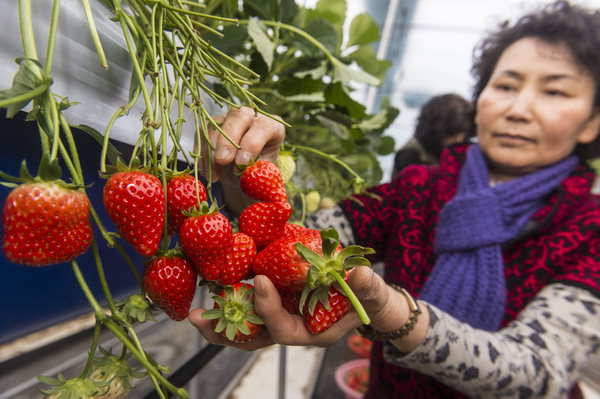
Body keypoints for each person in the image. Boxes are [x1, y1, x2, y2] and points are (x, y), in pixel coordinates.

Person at [188, 1, 600, 398]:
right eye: (506, 85)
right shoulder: (417, 187)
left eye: (555, 92)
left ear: (592, 122)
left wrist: (391, 311)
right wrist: (251, 181)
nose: (519, 108)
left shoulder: (590, 226)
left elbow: (537, 374)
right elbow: (305, 244)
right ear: (481, 102)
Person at [392, 93, 474, 177]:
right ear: (439, 131)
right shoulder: (411, 155)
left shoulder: (449, 152)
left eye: (462, 134)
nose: (459, 140)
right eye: (453, 134)